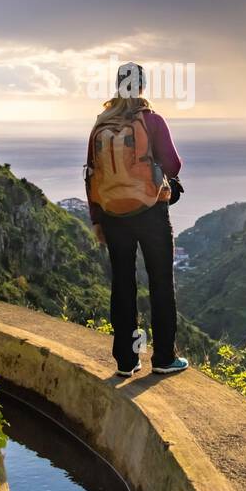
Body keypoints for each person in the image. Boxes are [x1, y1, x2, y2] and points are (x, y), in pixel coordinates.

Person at [84, 62, 188, 377]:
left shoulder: (101, 123)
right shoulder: (151, 120)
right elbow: (173, 164)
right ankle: (164, 358)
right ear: (142, 86)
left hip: (114, 216)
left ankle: (127, 361)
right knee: (160, 284)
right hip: (151, 213)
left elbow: (91, 174)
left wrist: (97, 220)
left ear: (117, 85)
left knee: (123, 285)